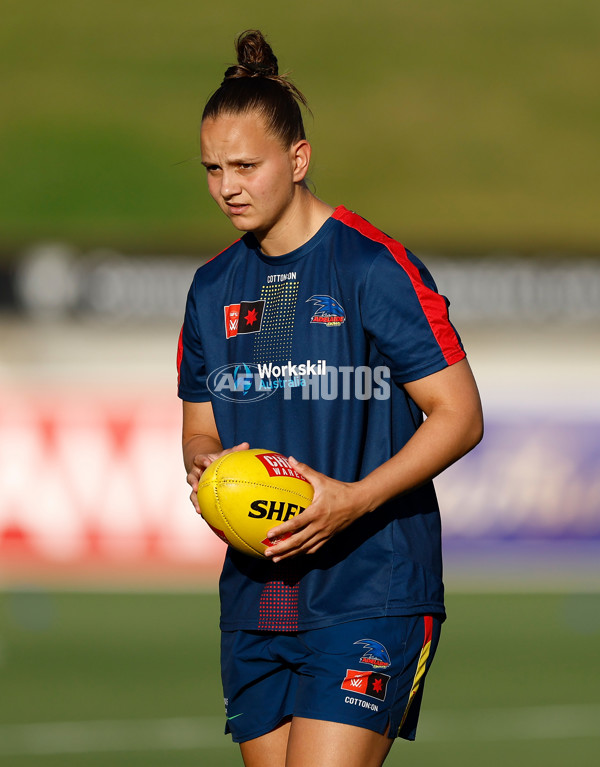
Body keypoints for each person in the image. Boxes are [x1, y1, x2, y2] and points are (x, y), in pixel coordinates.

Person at [178, 29, 483, 767]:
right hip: (257, 600)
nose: (229, 187)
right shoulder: (212, 287)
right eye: (214, 169)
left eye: (246, 165)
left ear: (299, 159)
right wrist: (213, 470)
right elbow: (197, 430)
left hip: (371, 589)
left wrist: (352, 498)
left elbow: (461, 414)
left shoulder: (372, 268)